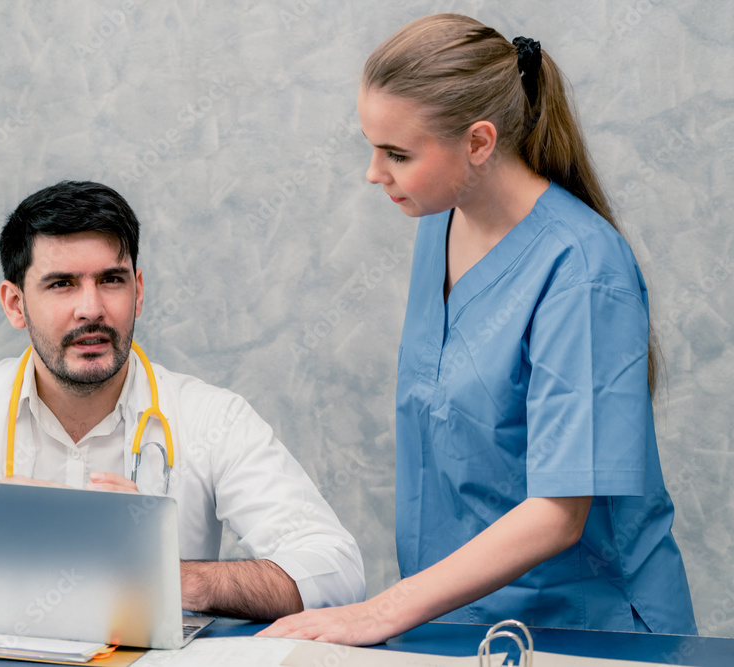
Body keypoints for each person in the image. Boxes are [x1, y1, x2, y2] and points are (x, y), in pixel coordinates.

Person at [261, 14, 696, 643]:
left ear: (480, 142)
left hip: (585, 633)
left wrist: (377, 612)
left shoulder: (582, 271)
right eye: (371, 145)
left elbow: (558, 514)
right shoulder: (439, 222)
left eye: (398, 154)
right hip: (458, 625)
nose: (373, 172)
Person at [0, 180, 365, 621]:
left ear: (139, 290)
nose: (92, 309)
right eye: (61, 284)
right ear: (14, 303)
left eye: (111, 279)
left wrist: (171, 580)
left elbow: (336, 571)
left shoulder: (211, 417)